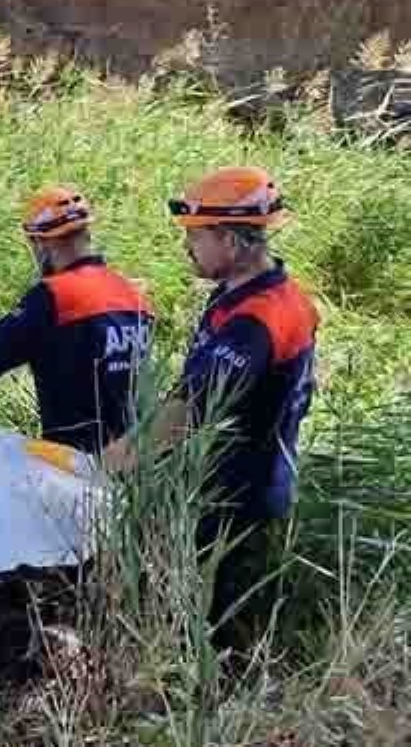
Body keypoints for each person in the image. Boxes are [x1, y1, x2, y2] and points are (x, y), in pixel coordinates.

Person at [103, 166, 318, 652]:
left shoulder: (260, 319)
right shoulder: (245, 295)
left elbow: (193, 408)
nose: (187, 248)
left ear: (232, 241)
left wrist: (113, 461)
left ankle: (213, 713)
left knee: (210, 631)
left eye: (197, 237)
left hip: (240, 495)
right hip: (224, 483)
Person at [0, 186, 153, 456]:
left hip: (75, 463)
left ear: (40, 242)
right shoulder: (134, 294)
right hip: (136, 462)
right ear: (87, 232)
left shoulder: (55, 296)